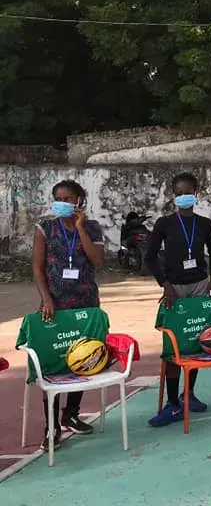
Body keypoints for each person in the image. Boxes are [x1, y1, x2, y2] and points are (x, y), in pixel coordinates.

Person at [28, 180, 105, 449]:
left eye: (68, 197)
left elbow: (96, 259)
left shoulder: (92, 227)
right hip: (55, 305)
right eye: (58, 197)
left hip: (86, 304)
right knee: (54, 364)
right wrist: (46, 298)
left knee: (84, 359)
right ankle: (51, 427)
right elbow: (37, 267)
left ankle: (71, 414)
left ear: (79, 201)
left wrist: (81, 227)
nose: (62, 201)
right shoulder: (45, 228)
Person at [145, 172, 211, 427]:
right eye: (178, 193)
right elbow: (150, 256)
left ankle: (188, 394)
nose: (184, 196)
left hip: (200, 285)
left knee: (196, 341)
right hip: (175, 290)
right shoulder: (164, 223)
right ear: (173, 195)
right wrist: (165, 284)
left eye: (188, 191)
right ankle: (171, 403)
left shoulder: (204, 224)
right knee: (173, 346)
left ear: (196, 193)